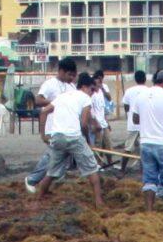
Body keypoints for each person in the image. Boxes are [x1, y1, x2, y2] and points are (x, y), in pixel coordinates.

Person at [26, 71, 105, 208]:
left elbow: (43, 112)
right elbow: (84, 124)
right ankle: (99, 203)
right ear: (84, 87)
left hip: (58, 137)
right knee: (92, 169)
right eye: (92, 89)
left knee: (52, 172)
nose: (92, 93)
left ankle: (38, 200)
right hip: (74, 137)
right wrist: (88, 142)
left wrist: (43, 135)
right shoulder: (86, 98)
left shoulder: (62, 96)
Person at [125, 69, 163, 209]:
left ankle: (149, 211)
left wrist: (148, 119)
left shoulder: (141, 96)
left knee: (149, 179)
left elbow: (135, 119)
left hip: (146, 143)